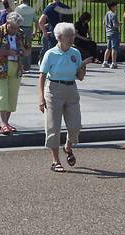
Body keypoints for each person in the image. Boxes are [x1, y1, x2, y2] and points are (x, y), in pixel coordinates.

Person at [37, 22, 88, 173]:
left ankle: (68, 146)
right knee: (53, 126)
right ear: (59, 37)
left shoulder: (75, 53)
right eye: (69, 35)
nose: (72, 38)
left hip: (71, 88)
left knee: (75, 126)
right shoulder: (50, 54)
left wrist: (83, 67)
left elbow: (80, 77)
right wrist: (40, 98)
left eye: (73, 34)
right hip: (53, 90)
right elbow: (42, 77)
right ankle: (55, 160)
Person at [0, 12, 27, 134]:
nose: (15, 30)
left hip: (16, 67)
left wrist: (24, 52)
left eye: (17, 27)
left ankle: (6, 122)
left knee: (12, 96)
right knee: (1, 95)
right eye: (13, 27)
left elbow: (28, 49)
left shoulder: (20, 33)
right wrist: (8, 52)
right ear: (7, 23)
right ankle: (3, 123)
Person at [15, 0, 39, 71]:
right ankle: (27, 66)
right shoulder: (31, 9)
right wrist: (35, 32)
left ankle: (20, 65)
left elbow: (14, 19)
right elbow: (36, 21)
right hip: (29, 29)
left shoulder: (18, 8)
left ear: (21, 1)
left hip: (19, 28)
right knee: (28, 48)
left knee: (19, 47)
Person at [103, 1, 121, 68]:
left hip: (108, 32)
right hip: (114, 32)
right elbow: (115, 25)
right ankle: (113, 63)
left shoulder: (107, 14)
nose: (116, 7)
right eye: (116, 6)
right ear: (112, 6)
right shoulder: (113, 15)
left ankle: (105, 62)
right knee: (114, 48)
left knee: (108, 48)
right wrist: (119, 24)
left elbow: (104, 23)